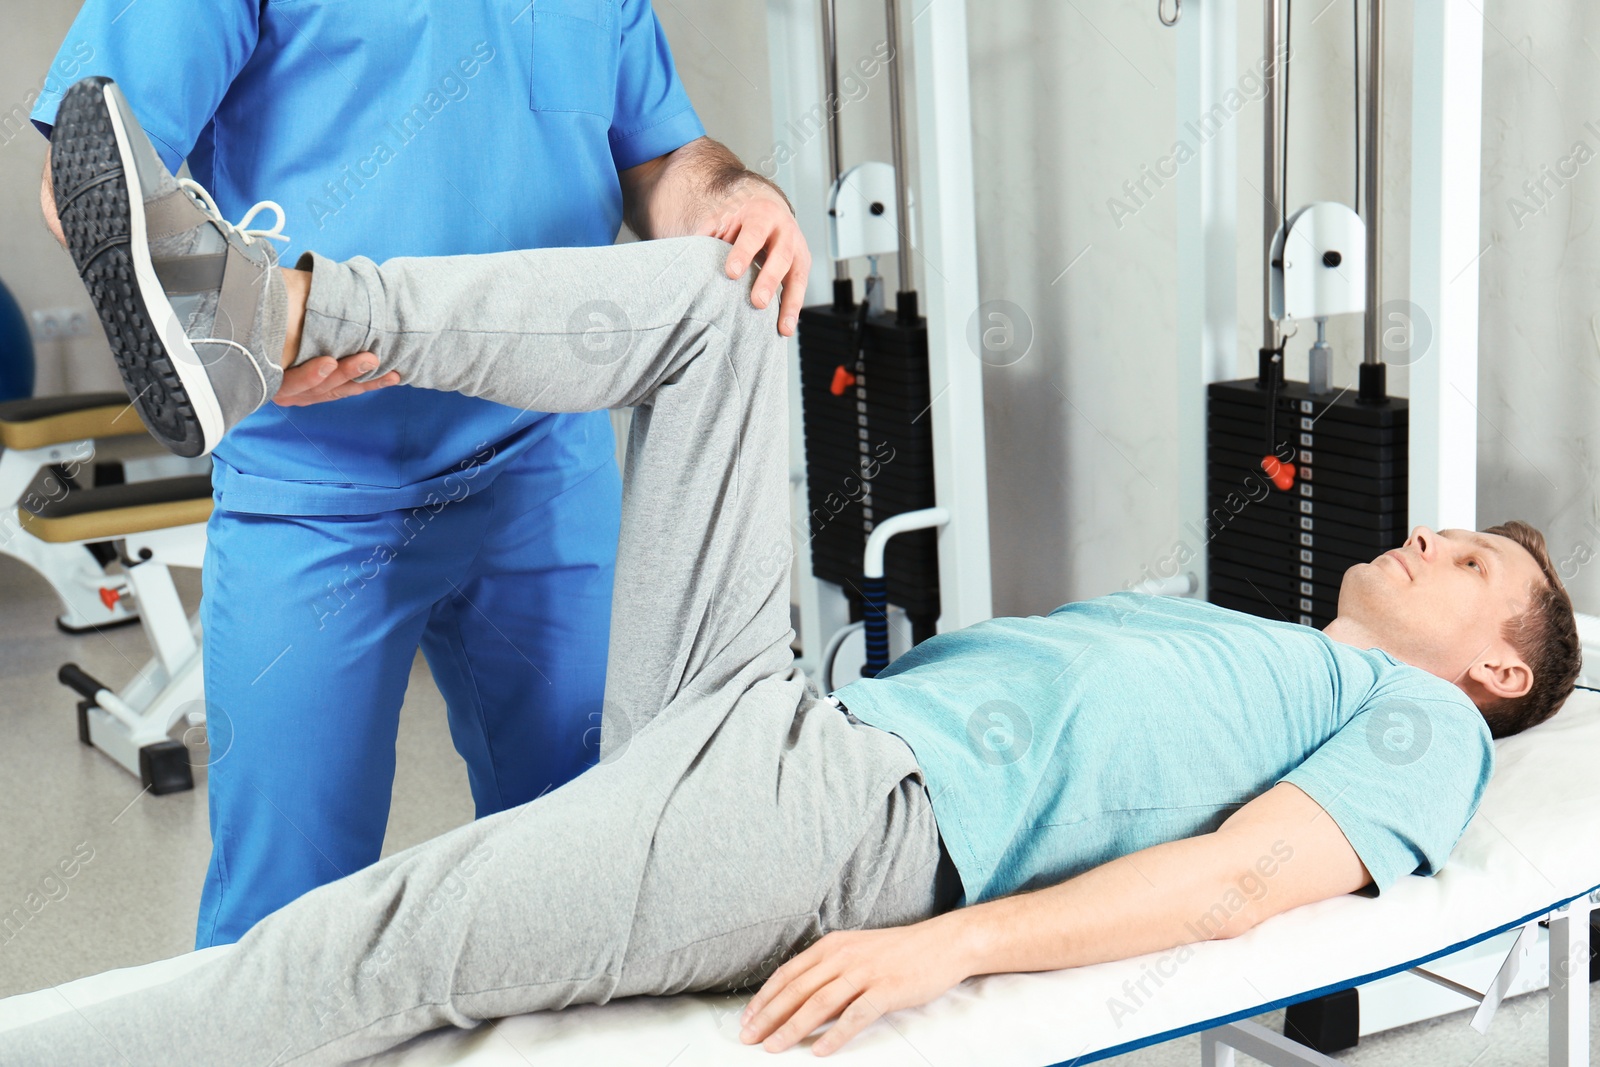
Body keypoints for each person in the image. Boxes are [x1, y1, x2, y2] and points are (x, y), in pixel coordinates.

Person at [10, 78, 1581, 1064]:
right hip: (785, 715)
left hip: (847, 825)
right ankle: (281, 314)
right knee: (716, 295)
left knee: (372, 950)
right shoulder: (1254, 639)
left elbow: (1245, 881)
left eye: (1466, 565)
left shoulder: (1417, 722)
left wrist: (940, 947)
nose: (1432, 535)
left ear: (1495, 671)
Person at [30, 0, 810, 947]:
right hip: (312, 483)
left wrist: (728, 193)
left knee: (594, 869)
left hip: (545, 457)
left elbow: (656, 160)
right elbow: (94, 181)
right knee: (286, 925)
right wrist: (226, 326)